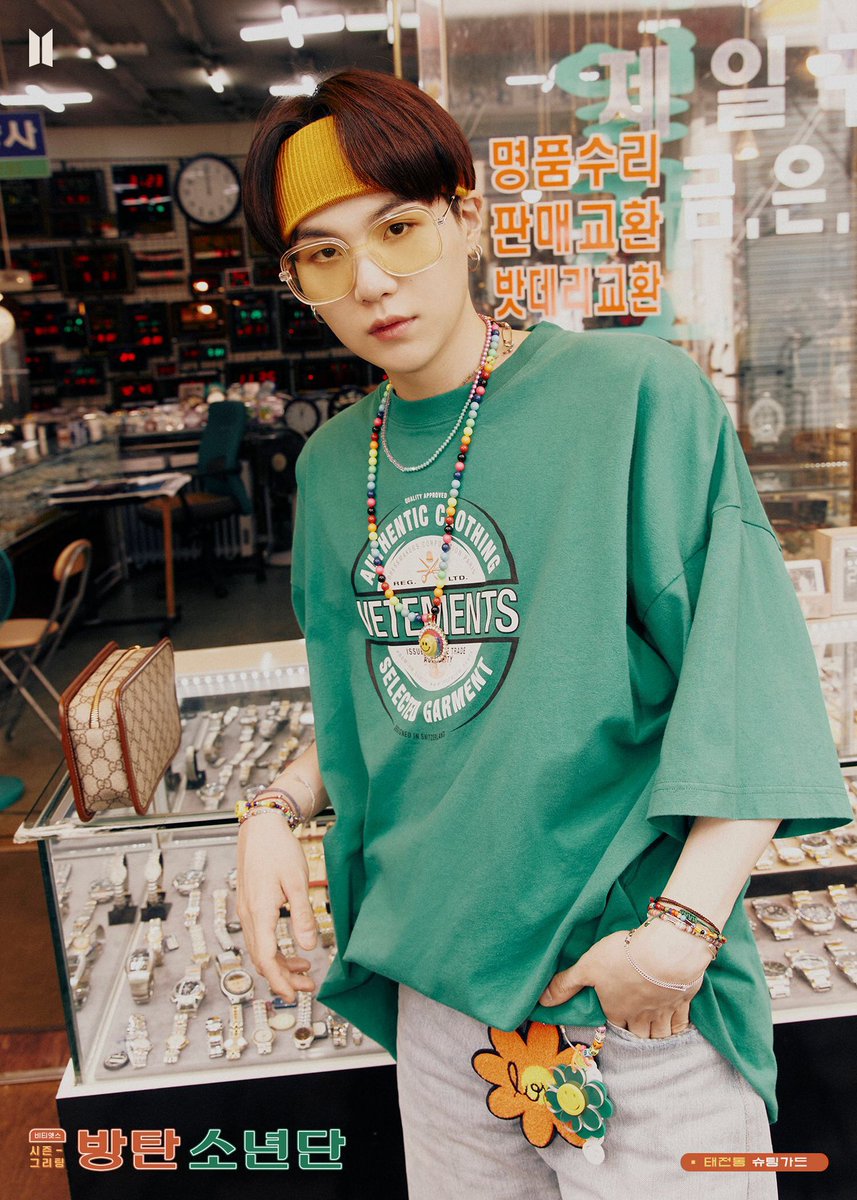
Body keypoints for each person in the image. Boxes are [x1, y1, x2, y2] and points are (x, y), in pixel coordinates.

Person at [237, 67, 851, 1198]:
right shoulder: (331, 469)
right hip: (438, 999)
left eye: (399, 228)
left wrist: (676, 936)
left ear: (466, 216)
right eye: (321, 254)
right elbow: (387, 691)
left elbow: (746, 676)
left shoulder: (631, 397)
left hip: (625, 997)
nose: (369, 280)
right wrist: (274, 807)